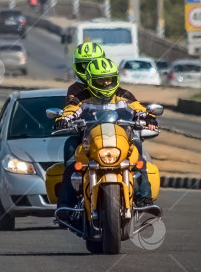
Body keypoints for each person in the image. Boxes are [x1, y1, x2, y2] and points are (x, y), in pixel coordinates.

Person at [55, 57, 158, 219]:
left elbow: (139, 108)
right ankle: (65, 206)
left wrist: (149, 117)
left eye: (109, 79)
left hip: (120, 140)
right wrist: (64, 119)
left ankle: (144, 197)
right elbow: (71, 110)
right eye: (100, 80)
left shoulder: (124, 95)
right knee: (72, 163)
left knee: (139, 157)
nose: (105, 84)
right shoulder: (82, 97)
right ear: (90, 81)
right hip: (89, 142)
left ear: (115, 79)